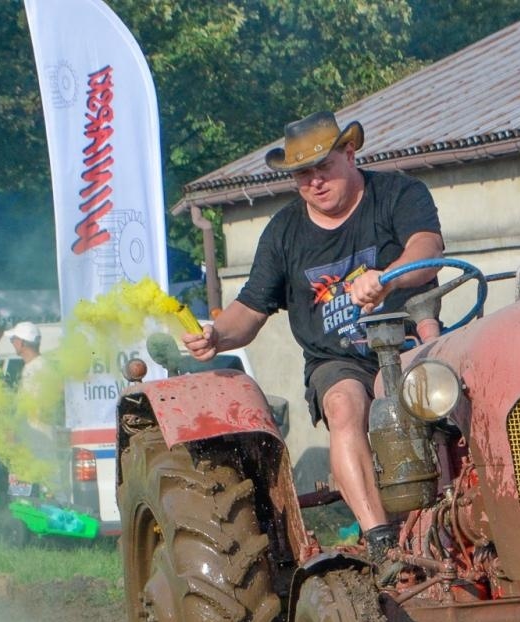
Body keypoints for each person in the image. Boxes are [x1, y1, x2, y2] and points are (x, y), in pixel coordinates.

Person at [180, 110, 444, 560]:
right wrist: (216, 335)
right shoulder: (284, 232)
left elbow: (427, 248)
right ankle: (381, 541)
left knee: (407, 394)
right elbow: (250, 308)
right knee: (344, 405)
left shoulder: (398, 193)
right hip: (336, 360)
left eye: (324, 168)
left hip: (407, 343)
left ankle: (449, 519)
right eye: (303, 174)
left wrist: (388, 278)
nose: (315, 182)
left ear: (349, 153)